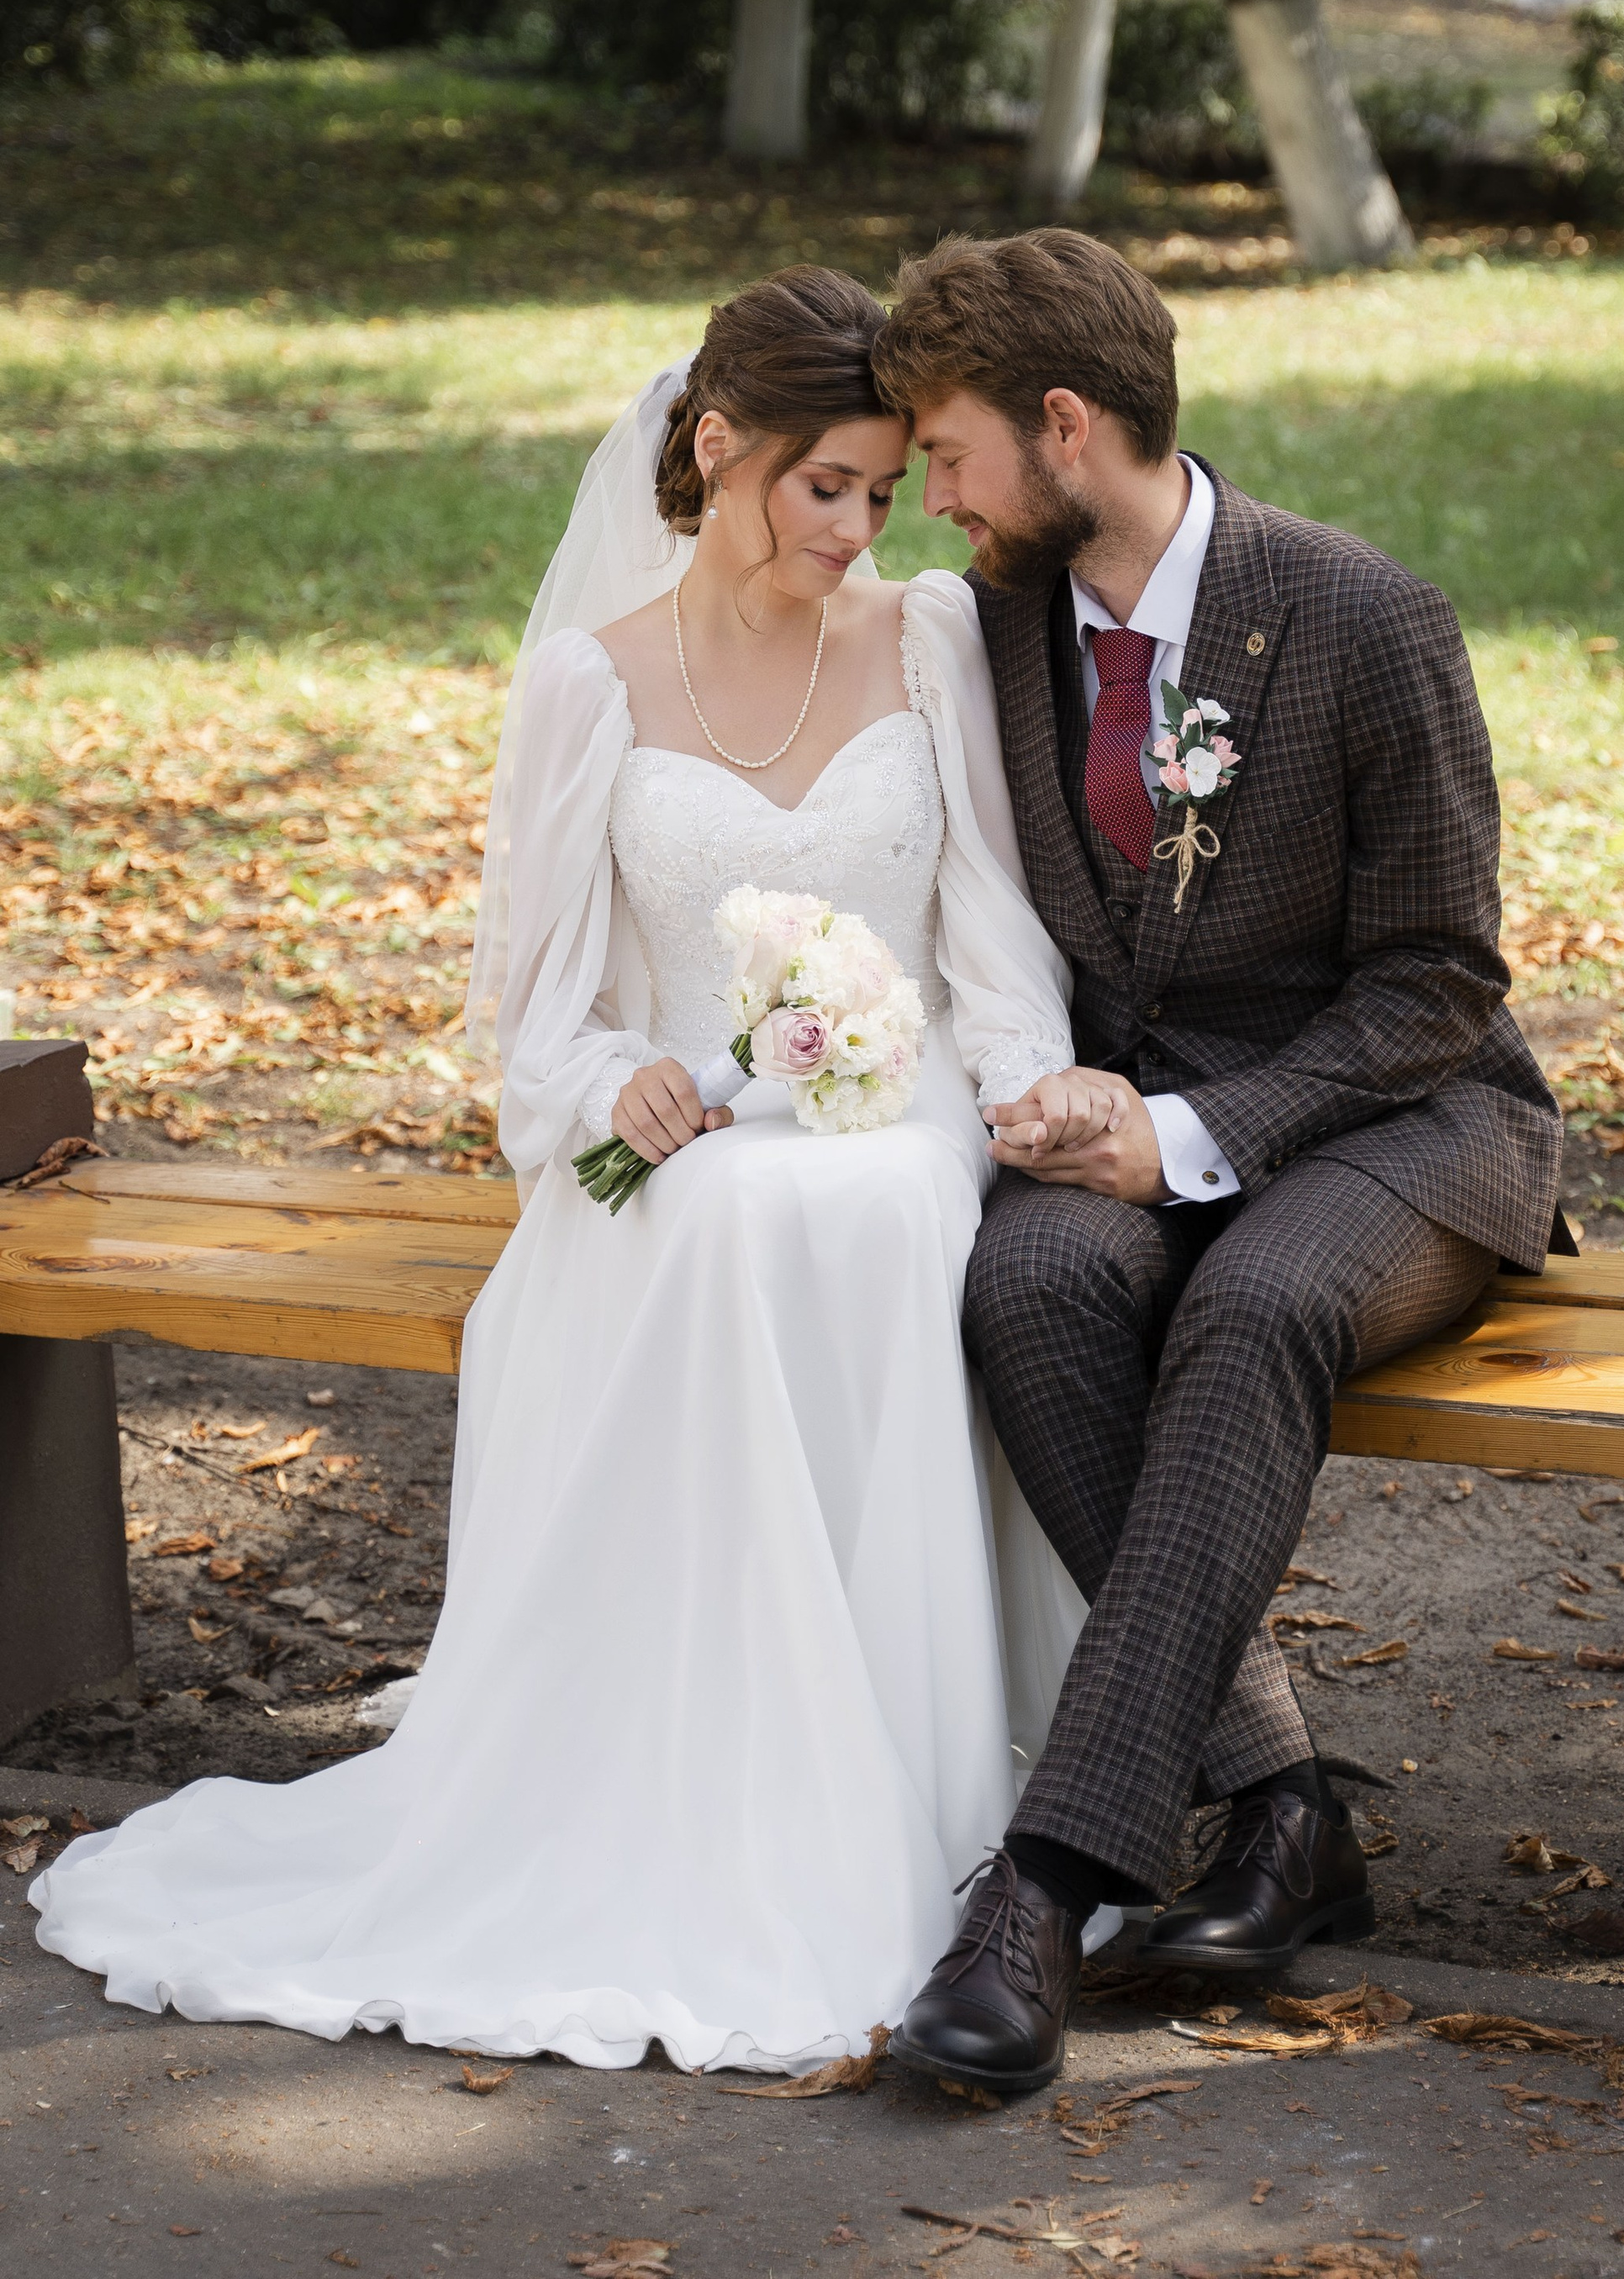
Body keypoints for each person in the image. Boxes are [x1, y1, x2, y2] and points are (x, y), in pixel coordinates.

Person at [33, 266, 1105, 2076]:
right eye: (822, 486)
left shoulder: (924, 637)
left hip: (897, 1098)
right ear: (717, 451)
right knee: (724, 1216)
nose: (855, 529)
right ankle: (707, 1774)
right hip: (690, 1103)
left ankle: (910, 1783)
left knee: (869, 1202)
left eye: (876, 489)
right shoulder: (588, 687)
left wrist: (1022, 1087)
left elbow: (987, 928)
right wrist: (623, 1092)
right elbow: (539, 1025)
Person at [871, 229, 1567, 2099]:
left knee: (1252, 1301)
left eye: (946, 453)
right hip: (1128, 1128)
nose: (930, 495)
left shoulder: (1361, 615)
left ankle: (1036, 1889)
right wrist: (1077, 1106)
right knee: (1021, 1283)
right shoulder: (993, 623)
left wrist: (1186, 1135)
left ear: (1066, 426)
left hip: (1396, 1126)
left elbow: (1440, 981)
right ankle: (1280, 1809)